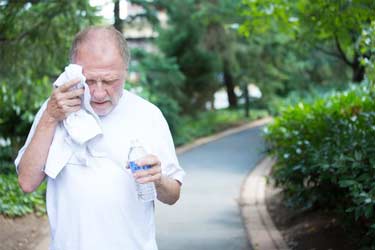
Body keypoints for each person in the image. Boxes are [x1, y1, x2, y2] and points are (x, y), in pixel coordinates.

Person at [14, 26, 185, 250]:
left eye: (109, 81)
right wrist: (50, 117)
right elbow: (27, 182)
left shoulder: (148, 115)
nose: (98, 93)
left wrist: (159, 179)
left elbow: (173, 195)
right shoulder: (55, 109)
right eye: (89, 81)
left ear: (125, 71)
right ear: (73, 71)